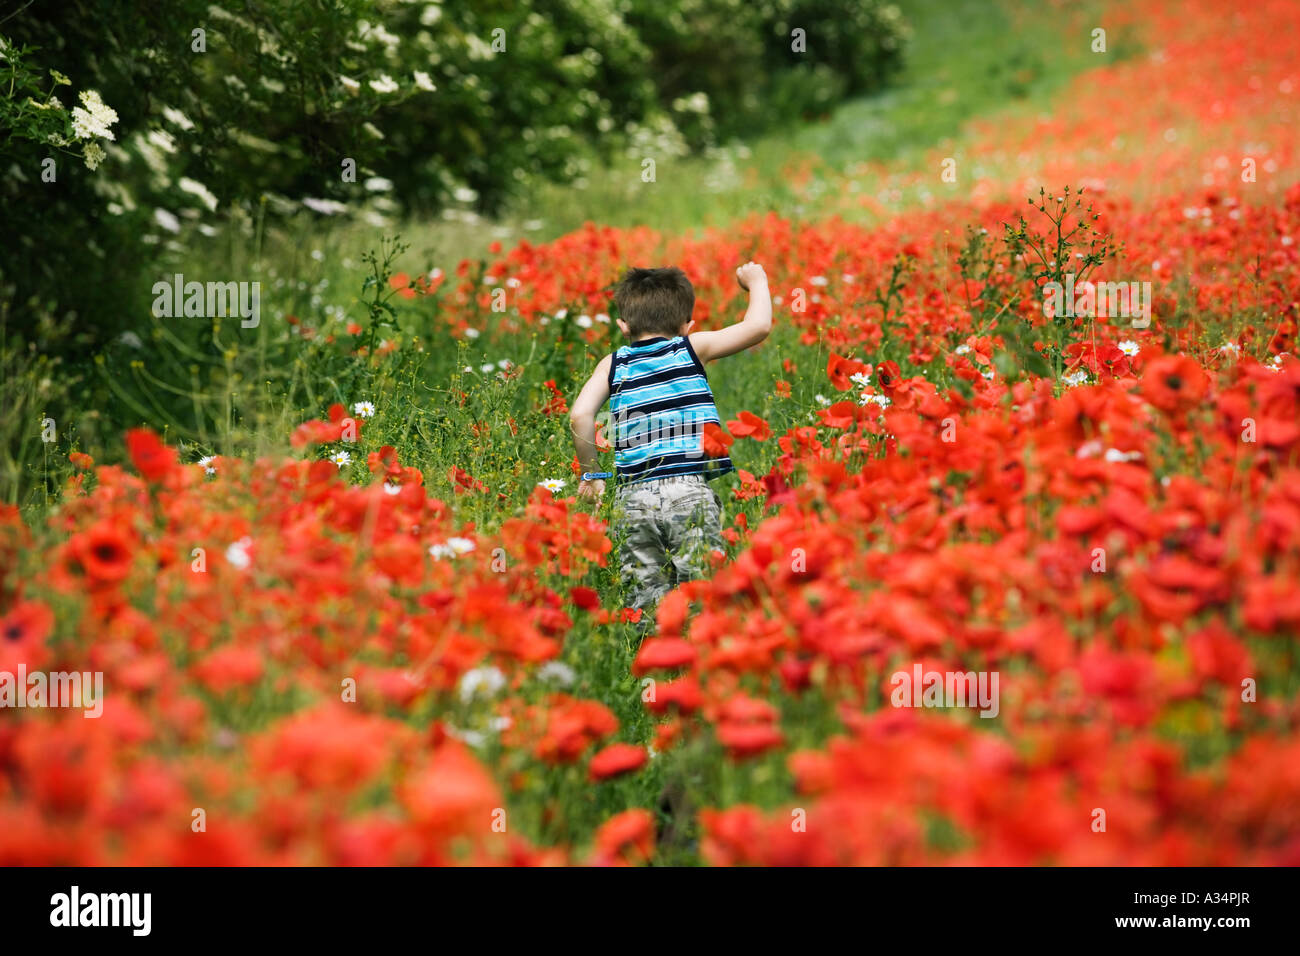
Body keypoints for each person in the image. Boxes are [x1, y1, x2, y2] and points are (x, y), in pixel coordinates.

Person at [569, 262, 772, 616]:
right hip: (689, 492)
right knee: (702, 593)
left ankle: (651, 658)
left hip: (631, 497)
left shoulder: (612, 364)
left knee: (644, 600)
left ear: (623, 326)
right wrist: (756, 280)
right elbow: (758, 326)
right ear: (686, 325)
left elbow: (580, 415)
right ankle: (700, 658)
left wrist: (592, 476)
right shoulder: (691, 347)